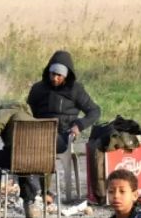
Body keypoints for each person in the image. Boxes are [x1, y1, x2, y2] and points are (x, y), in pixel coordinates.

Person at [26, 50, 101, 202]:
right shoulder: (38, 89)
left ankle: (43, 191)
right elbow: (28, 111)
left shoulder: (76, 90)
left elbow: (94, 111)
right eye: (52, 74)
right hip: (38, 131)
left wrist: (79, 125)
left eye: (59, 75)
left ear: (66, 76)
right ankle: (27, 189)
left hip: (63, 135)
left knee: (44, 145)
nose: (55, 78)